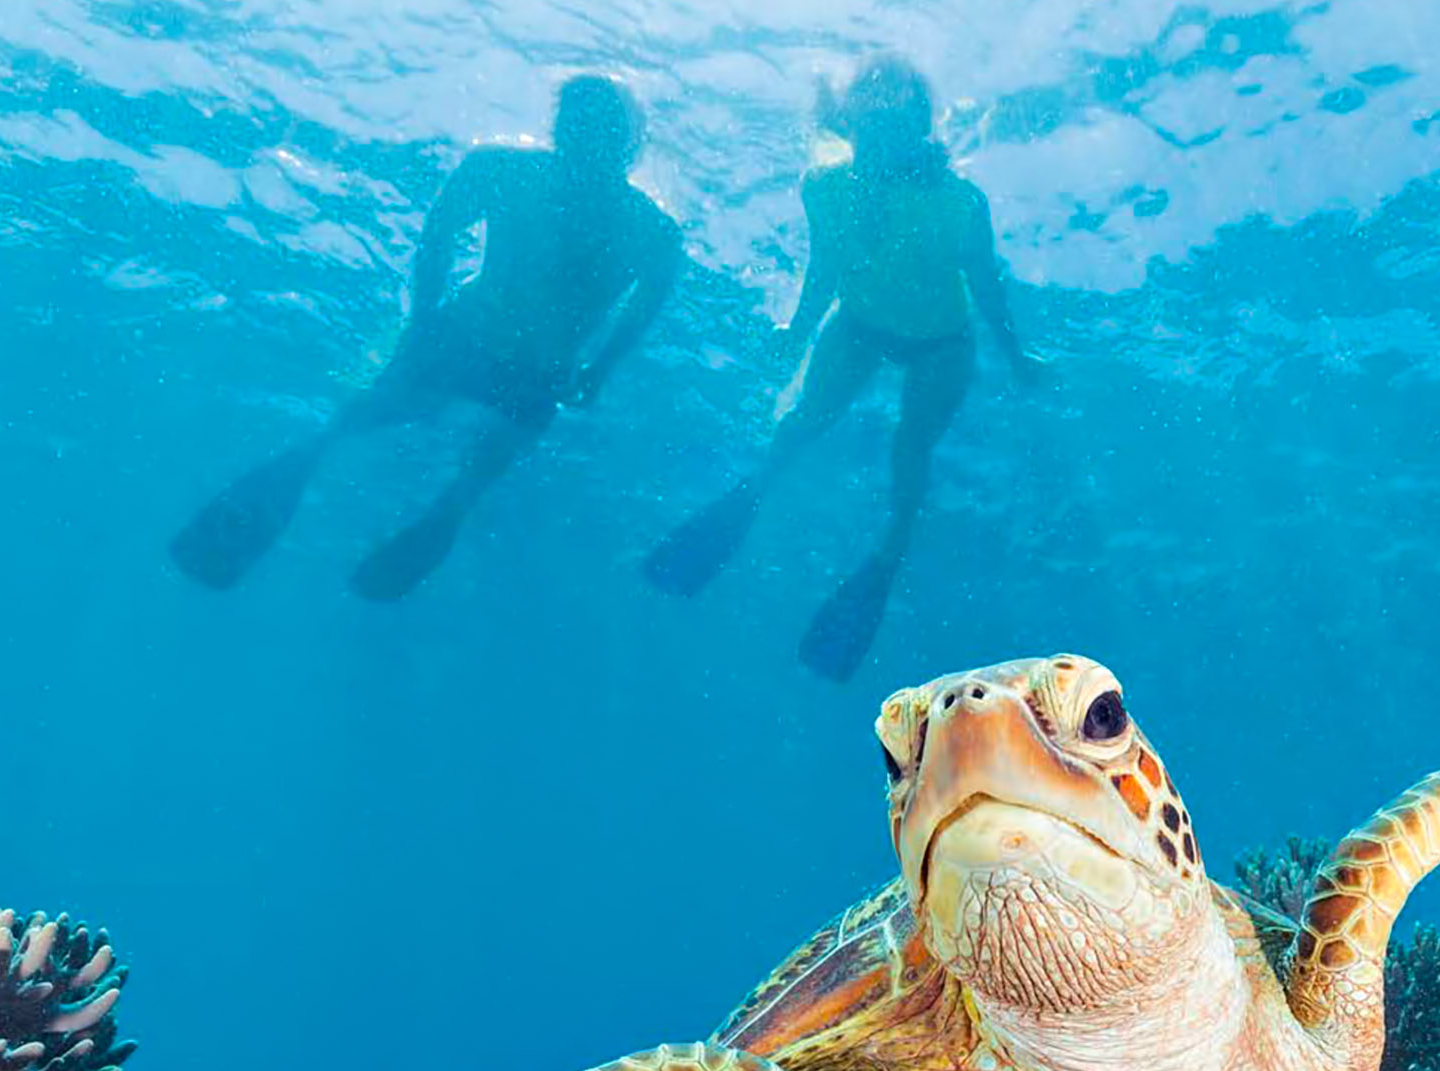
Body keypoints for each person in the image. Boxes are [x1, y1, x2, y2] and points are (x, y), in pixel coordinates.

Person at [171, 75, 682, 599]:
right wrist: (595, 372)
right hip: (510, 358)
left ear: (620, 140)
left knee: (362, 434)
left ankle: (431, 511)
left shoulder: (515, 176)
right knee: (451, 468)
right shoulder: (643, 228)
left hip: (482, 348)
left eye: (590, 122)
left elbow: (438, 237)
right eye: (578, 120)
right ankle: (439, 514)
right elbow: (440, 237)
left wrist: (425, 322)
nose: (580, 133)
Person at [644, 54, 1042, 680]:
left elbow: (986, 286)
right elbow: (824, 269)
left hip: (943, 341)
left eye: (896, 123)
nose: (882, 136)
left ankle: (889, 554)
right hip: (858, 324)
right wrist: (795, 333)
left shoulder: (960, 201)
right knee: (799, 424)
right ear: (852, 124)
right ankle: (753, 493)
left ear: (921, 128)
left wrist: (1017, 359)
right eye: (871, 121)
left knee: (909, 450)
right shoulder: (823, 186)